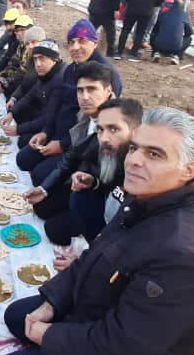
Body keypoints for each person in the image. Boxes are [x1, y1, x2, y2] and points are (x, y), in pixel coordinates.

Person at [0, 106, 194, 355]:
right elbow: (94, 255)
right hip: (99, 312)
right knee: (18, 315)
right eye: (135, 148)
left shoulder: (186, 254)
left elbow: (121, 347)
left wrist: (48, 336)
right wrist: (52, 302)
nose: (134, 160)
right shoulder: (147, 197)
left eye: (154, 154)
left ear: (188, 170)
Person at [22, 63, 117, 245]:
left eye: (92, 89)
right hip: (83, 180)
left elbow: (115, 179)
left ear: (108, 90)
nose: (85, 97)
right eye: (80, 90)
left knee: (54, 231)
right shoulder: (86, 114)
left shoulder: (117, 124)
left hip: (103, 194)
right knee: (41, 207)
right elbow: (72, 156)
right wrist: (45, 189)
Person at [20, 20, 122, 185]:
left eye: (82, 41)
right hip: (58, 134)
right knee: (23, 159)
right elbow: (57, 105)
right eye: (71, 42)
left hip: (78, 145)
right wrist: (46, 131)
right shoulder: (71, 69)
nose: (75, 47)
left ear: (95, 43)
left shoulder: (106, 75)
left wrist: (63, 145)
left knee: (39, 176)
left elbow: (95, 129)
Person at [39, 96, 141, 250]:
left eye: (114, 129)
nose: (104, 138)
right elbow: (74, 157)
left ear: (135, 132)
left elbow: (133, 235)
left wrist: (90, 254)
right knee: (46, 214)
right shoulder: (102, 142)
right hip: (103, 199)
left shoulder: (141, 173)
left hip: (120, 231)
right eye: (100, 129)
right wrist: (93, 182)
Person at [3, 36, 63, 147]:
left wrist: (19, 129)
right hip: (44, 117)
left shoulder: (59, 80)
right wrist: (12, 112)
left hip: (55, 130)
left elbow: (49, 117)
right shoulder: (45, 73)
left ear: (54, 60)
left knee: (23, 143)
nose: (38, 64)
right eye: (35, 59)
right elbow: (30, 96)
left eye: (42, 59)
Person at [150, 0, 194, 65]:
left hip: (159, 45)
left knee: (153, 34)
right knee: (189, 39)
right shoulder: (185, 15)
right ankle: (177, 56)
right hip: (175, 47)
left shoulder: (164, 13)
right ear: (183, 7)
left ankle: (155, 52)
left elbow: (155, 29)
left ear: (172, 5)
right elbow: (190, 32)